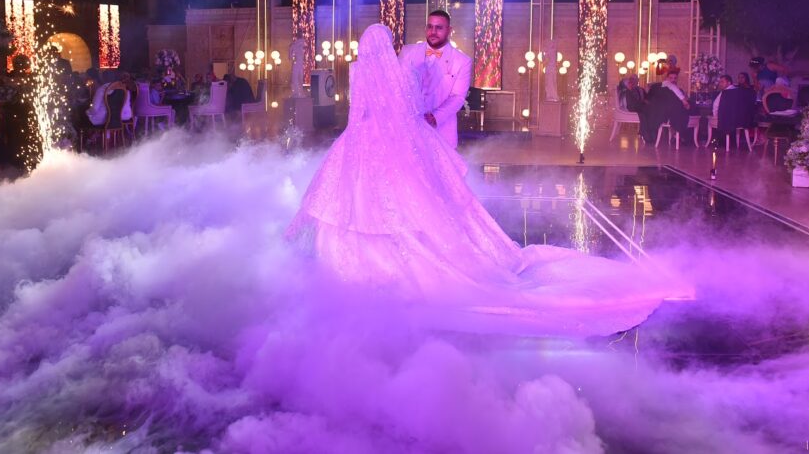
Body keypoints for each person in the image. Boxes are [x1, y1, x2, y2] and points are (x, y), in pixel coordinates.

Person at [288, 23, 690, 338]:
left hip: (364, 142)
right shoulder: (400, 73)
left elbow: (358, 114)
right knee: (412, 204)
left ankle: (359, 273)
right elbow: (408, 113)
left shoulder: (360, 71)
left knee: (359, 208)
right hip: (394, 143)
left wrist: (354, 140)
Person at [398, 9, 473, 149]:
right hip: (408, 130)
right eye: (430, 27)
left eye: (439, 28)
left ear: (449, 30)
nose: (433, 32)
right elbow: (397, 86)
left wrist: (435, 117)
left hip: (442, 132)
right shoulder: (407, 52)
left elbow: (457, 97)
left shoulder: (462, 61)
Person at [644, 68, 691, 143]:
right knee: (684, 111)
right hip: (664, 112)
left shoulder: (674, 89)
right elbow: (675, 89)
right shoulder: (666, 85)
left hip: (666, 112)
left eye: (675, 78)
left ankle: (677, 135)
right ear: (666, 78)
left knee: (683, 111)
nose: (673, 80)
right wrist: (684, 102)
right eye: (671, 78)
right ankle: (679, 135)